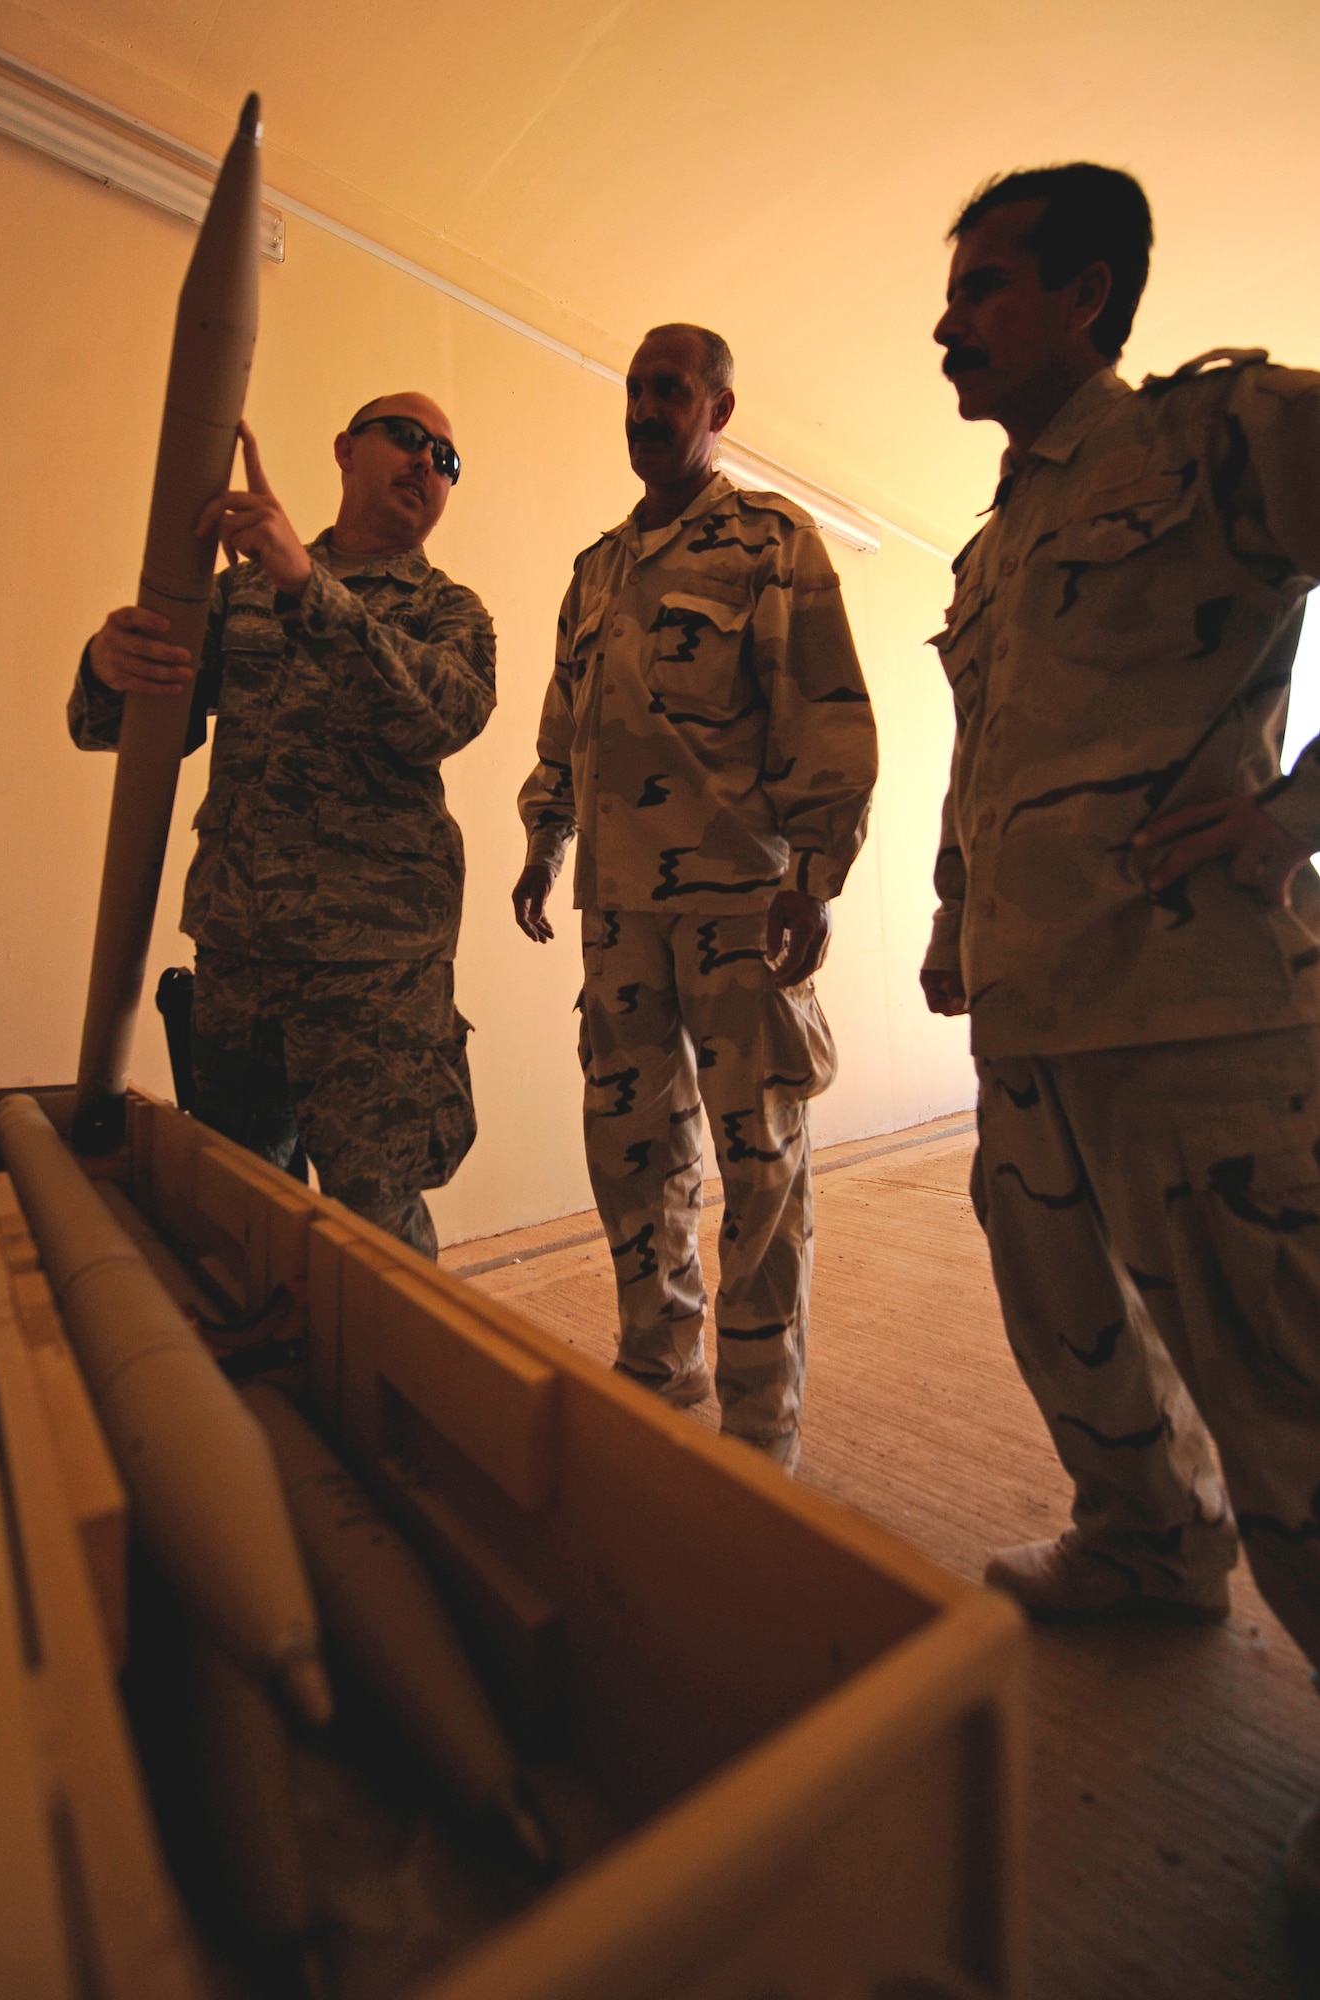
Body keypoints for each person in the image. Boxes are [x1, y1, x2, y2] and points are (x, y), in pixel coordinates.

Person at [923, 157, 1320, 1892]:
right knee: (1063, 1328)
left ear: (1084, 294)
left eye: (985, 285)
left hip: (1190, 1017)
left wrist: (1293, 812)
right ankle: (1143, 1543)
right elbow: (984, 754)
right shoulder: (991, 538)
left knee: (1279, 1383)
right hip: (1030, 1018)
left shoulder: (1213, 437)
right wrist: (949, 916)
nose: (948, 320)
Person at [513, 323, 877, 1470]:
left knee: (758, 1168)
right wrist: (544, 836)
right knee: (632, 1155)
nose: (644, 407)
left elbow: (827, 716)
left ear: (719, 406)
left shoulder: (771, 542)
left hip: (737, 909)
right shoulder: (598, 569)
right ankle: (658, 1369)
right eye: (633, 388)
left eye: (669, 389)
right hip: (619, 917)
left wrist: (815, 879)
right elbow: (564, 724)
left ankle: (761, 1433)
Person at [70, 395, 495, 1259]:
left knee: (377, 1237)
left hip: (373, 978)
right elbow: (139, 728)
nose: (426, 463)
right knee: (241, 1212)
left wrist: (310, 585)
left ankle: (394, 1394)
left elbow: (438, 718)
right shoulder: (240, 594)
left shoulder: (449, 613)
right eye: (406, 439)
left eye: (445, 460)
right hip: (240, 957)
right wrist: (106, 666)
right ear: (345, 449)